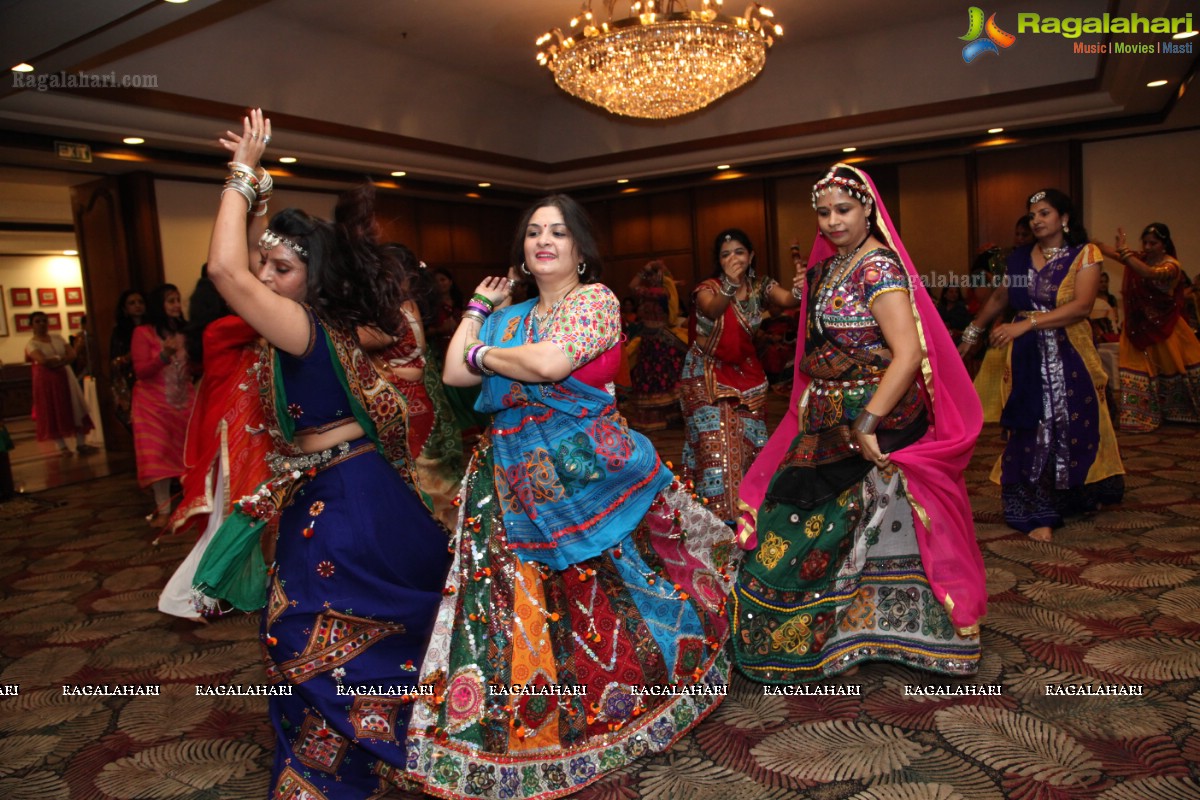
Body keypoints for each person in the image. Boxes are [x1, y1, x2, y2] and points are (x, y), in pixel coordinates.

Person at [405, 194, 737, 799]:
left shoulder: (596, 300)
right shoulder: (510, 315)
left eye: (558, 232)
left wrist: (486, 352)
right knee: (515, 597)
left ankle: (647, 686)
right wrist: (479, 309)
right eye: (533, 233)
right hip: (509, 478)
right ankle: (542, 717)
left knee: (611, 580)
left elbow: (550, 363)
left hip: (586, 468)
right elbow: (454, 372)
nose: (544, 241)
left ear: (581, 248)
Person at [195, 110, 451, 798]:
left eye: (282, 269)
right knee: (339, 633)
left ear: (310, 280)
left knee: (300, 634)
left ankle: (384, 746)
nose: (266, 278)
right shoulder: (328, 325)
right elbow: (243, 263)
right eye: (266, 268)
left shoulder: (303, 327)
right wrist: (266, 207)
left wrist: (243, 176)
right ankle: (337, 758)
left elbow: (224, 268)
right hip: (341, 490)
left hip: (344, 503)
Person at [732, 164, 985, 684]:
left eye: (843, 209)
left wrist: (869, 421)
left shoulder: (878, 269)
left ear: (868, 208)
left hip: (875, 420)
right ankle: (845, 629)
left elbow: (908, 352)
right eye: (822, 212)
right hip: (828, 419)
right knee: (795, 512)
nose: (831, 221)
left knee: (817, 524)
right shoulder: (832, 267)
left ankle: (879, 631)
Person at [963, 188, 1124, 542]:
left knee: (1071, 424)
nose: (1036, 220)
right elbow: (1003, 296)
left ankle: (1070, 493)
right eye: (1032, 214)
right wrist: (973, 331)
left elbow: (1082, 306)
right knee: (1030, 425)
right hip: (1026, 357)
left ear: (1064, 218)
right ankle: (1035, 508)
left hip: (1070, 355)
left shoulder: (1084, 254)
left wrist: (1026, 324)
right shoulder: (1019, 257)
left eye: (1045, 213)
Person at [679, 228, 802, 523]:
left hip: (747, 378)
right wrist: (731, 284)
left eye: (739, 252)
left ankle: (750, 519)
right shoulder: (707, 290)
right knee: (716, 453)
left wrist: (800, 287)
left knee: (751, 449)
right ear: (718, 262)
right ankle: (719, 526)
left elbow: (788, 299)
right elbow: (714, 308)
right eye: (725, 254)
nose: (733, 258)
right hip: (706, 378)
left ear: (751, 256)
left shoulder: (761, 287)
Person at [1097, 222, 1200, 431]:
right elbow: (1109, 252)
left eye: (1153, 243)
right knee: (1134, 366)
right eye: (1144, 242)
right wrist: (1087, 240)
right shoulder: (1137, 258)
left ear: (1164, 244)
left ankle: (1178, 411)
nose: (1147, 247)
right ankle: (1138, 416)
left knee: (1174, 366)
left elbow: (1150, 273)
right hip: (1138, 326)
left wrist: (1125, 254)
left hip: (1166, 327)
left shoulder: (1172, 266)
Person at [131, 283, 195, 527]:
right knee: (157, 457)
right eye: (171, 301)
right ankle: (164, 510)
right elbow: (141, 371)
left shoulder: (185, 332)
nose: (177, 305)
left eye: (178, 300)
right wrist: (163, 356)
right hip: (152, 405)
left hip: (183, 401)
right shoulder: (143, 333)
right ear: (160, 305)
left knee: (186, 455)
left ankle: (189, 505)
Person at [625, 259, 688, 429]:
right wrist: (646, 269)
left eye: (654, 276)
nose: (653, 279)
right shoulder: (660, 291)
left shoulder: (658, 293)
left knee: (662, 377)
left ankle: (669, 417)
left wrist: (644, 270)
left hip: (658, 341)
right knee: (654, 378)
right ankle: (665, 417)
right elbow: (634, 286)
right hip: (649, 341)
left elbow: (632, 285)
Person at [25, 311, 95, 456]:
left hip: (66, 376)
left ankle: (81, 443)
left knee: (74, 406)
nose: (42, 324)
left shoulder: (57, 337)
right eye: (38, 321)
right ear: (31, 325)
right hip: (46, 381)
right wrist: (61, 359)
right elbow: (43, 361)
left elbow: (72, 355)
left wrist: (58, 360)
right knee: (52, 410)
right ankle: (62, 446)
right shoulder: (32, 343)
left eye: (44, 320)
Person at [109, 289, 146, 430]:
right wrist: (129, 356)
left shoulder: (153, 328)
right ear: (125, 308)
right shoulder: (120, 332)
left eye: (140, 302)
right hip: (130, 380)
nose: (137, 306)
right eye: (132, 303)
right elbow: (114, 362)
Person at [1089, 271, 1121, 343]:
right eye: (1101, 282)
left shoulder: (1111, 298)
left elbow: (1115, 318)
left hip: (1109, 329)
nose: (1104, 284)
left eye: (1106, 282)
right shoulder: (1090, 299)